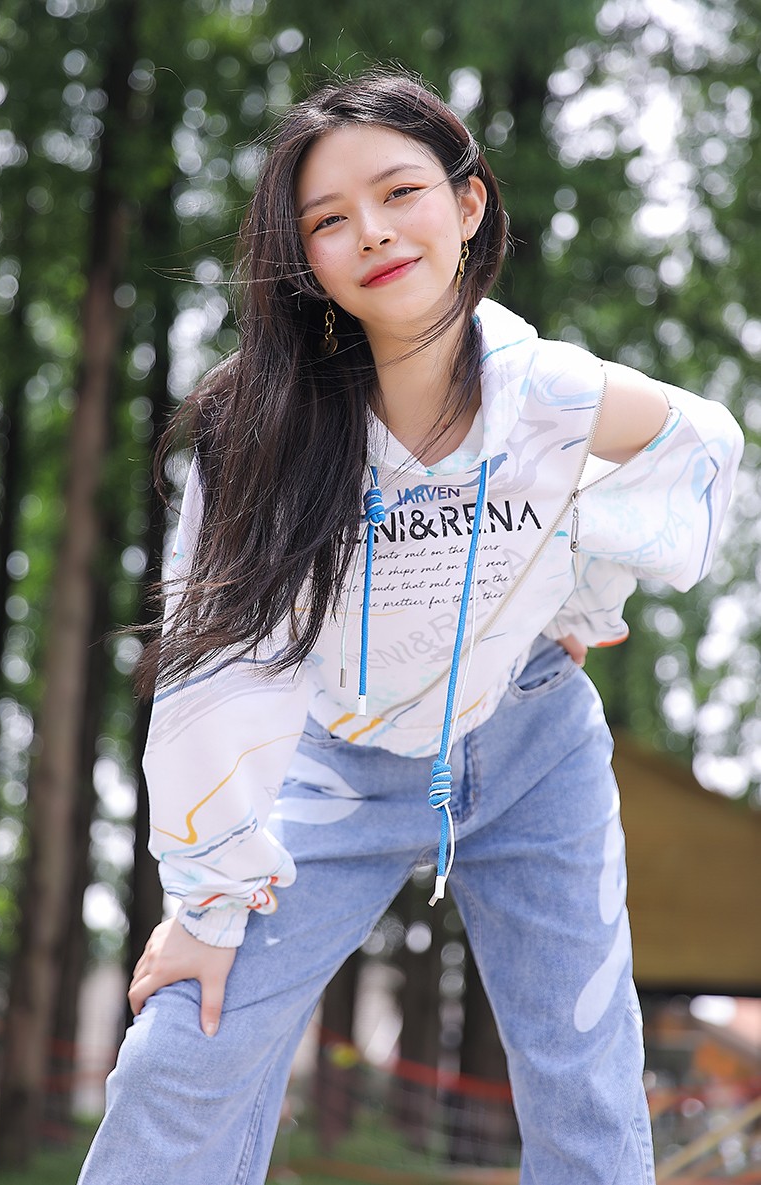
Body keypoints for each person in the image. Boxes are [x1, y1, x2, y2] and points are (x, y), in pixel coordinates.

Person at [77, 71, 743, 1185]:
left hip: (534, 751)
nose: (373, 232)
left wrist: (581, 593)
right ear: (305, 261)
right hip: (335, 763)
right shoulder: (260, 430)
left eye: (399, 193)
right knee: (185, 1043)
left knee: (584, 1079)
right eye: (329, 220)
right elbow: (217, 666)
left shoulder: (551, 394)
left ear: (467, 203)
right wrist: (208, 899)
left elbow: (702, 443)